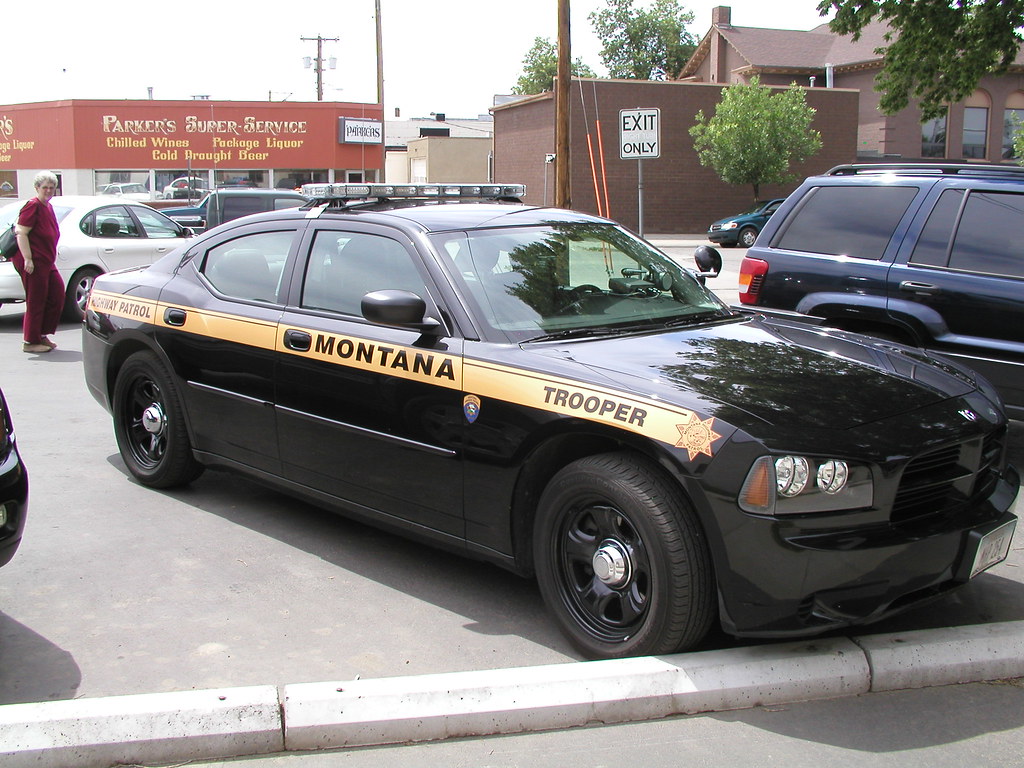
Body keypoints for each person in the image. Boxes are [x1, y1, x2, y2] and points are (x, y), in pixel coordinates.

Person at [13, 171, 64, 354]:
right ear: (37, 188)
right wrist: (28, 259)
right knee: (36, 300)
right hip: (33, 261)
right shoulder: (32, 206)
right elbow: (21, 233)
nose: (48, 191)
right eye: (45, 188)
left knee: (57, 295)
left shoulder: (47, 207)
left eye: (52, 188)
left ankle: (42, 334)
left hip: (47, 261)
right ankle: (30, 341)